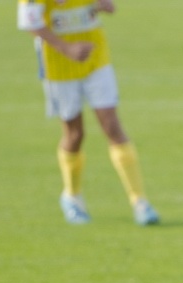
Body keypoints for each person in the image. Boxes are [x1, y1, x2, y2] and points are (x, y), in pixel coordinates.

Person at [17, 0, 159, 226]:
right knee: (75, 134)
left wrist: (103, 5)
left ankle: (139, 202)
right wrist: (67, 48)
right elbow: (30, 22)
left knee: (112, 126)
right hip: (59, 67)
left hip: (96, 59)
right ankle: (71, 197)